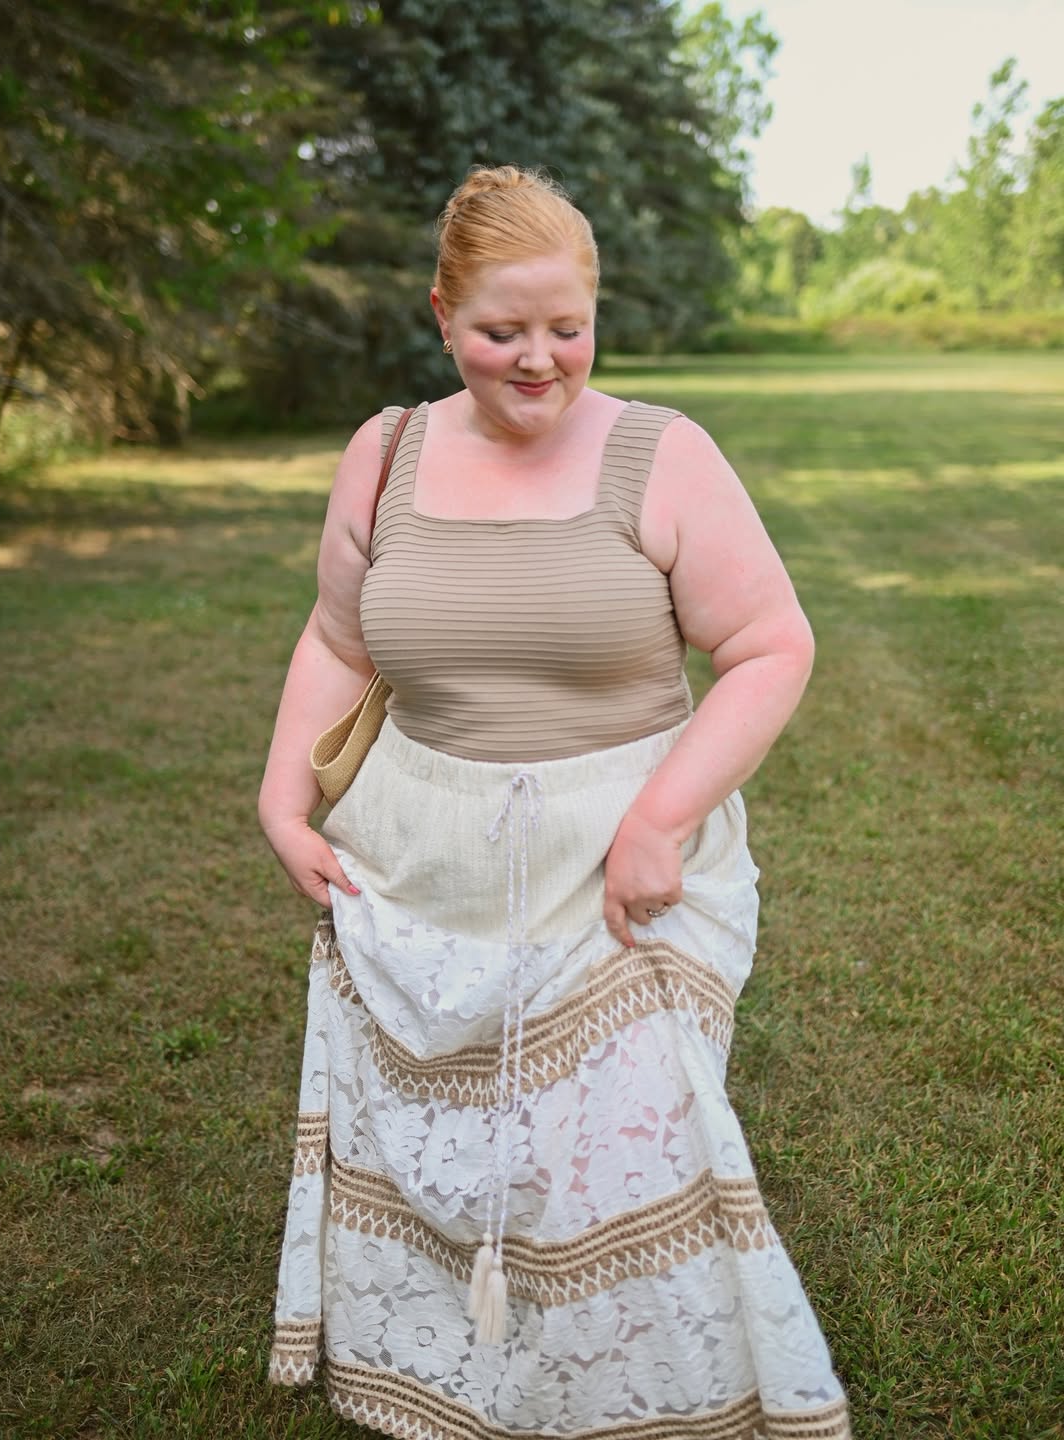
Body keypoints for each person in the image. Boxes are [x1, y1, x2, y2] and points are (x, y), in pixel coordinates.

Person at [260, 165, 850, 1440]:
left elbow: (770, 646)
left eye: (567, 328)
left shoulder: (664, 454)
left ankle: (637, 1403)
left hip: (616, 867)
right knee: (455, 1147)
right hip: (422, 860)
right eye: (500, 332)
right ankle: (457, 1380)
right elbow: (335, 639)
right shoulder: (386, 455)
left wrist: (659, 823)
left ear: (596, 310)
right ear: (438, 315)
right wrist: (281, 797)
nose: (540, 360)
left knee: (611, 1160)